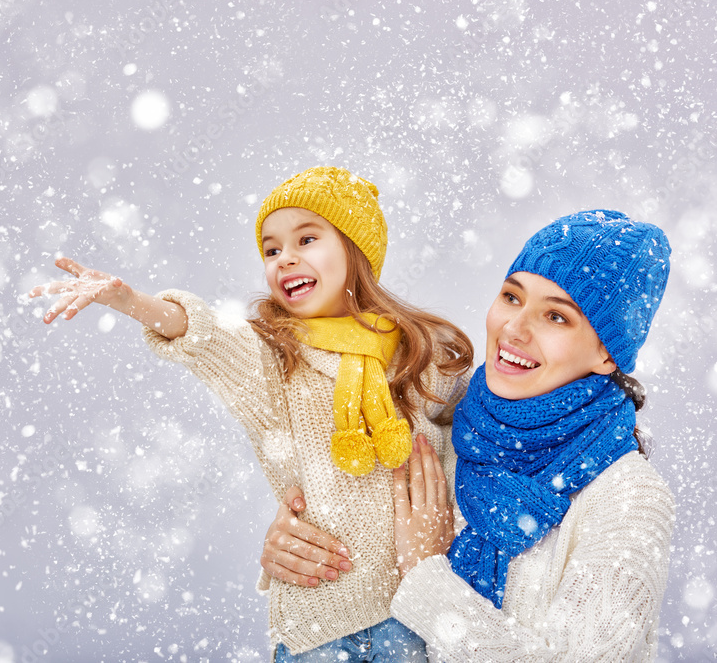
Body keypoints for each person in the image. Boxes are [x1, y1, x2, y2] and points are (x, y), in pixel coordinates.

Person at [29, 167, 474, 660]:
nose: (287, 258)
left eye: (307, 238)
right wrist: (131, 301)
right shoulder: (274, 358)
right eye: (272, 249)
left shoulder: (421, 355)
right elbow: (202, 335)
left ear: (356, 250)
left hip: (420, 612)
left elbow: (484, 440)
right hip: (321, 625)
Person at [261, 210, 675, 661]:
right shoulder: (444, 423)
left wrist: (425, 573)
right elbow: (362, 538)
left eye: (556, 317)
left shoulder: (628, 497)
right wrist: (298, 546)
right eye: (512, 297)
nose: (514, 329)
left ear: (607, 355)